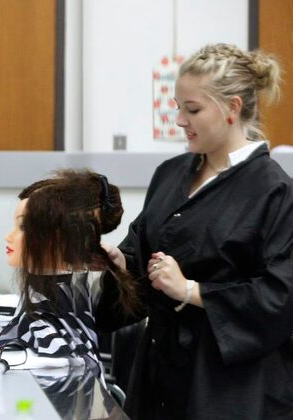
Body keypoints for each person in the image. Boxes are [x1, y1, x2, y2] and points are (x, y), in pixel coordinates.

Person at [104, 43, 293, 419]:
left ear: (232, 108)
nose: (179, 120)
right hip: (160, 371)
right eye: (177, 107)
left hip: (227, 389)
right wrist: (118, 264)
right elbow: (142, 258)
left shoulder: (274, 191)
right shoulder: (171, 174)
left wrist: (193, 291)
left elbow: (280, 297)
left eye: (192, 110)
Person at [0, 169, 140, 364]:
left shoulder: (56, 337)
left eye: (23, 227)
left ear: (59, 240)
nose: (9, 236)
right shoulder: (41, 306)